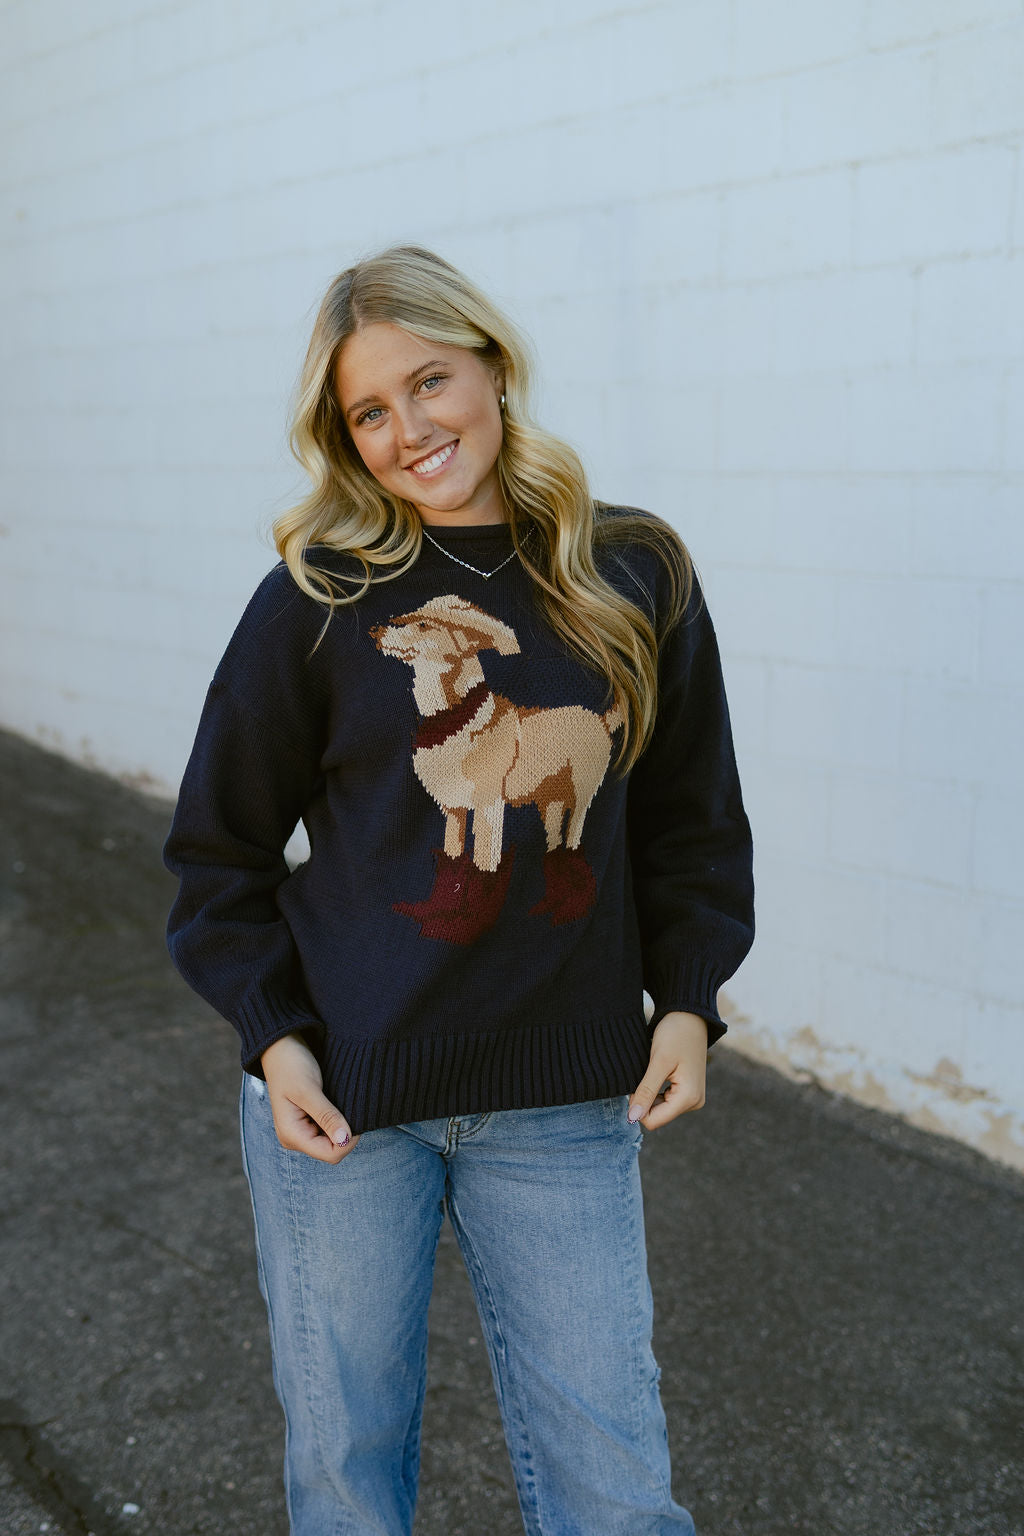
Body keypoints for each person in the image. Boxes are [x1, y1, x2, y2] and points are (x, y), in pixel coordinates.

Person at [163, 243, 754, 1536]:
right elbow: (217, 857)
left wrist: (689, 1002)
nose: (408, 430)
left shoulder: (632, 568)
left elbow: (692, 824)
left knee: (613, 1484)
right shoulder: (316, 602)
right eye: (368, 412)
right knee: (346, 1471)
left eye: (428, 382)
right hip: (347, 1104)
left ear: (492, 363)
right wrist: (274, 1043)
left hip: (561, 1097)